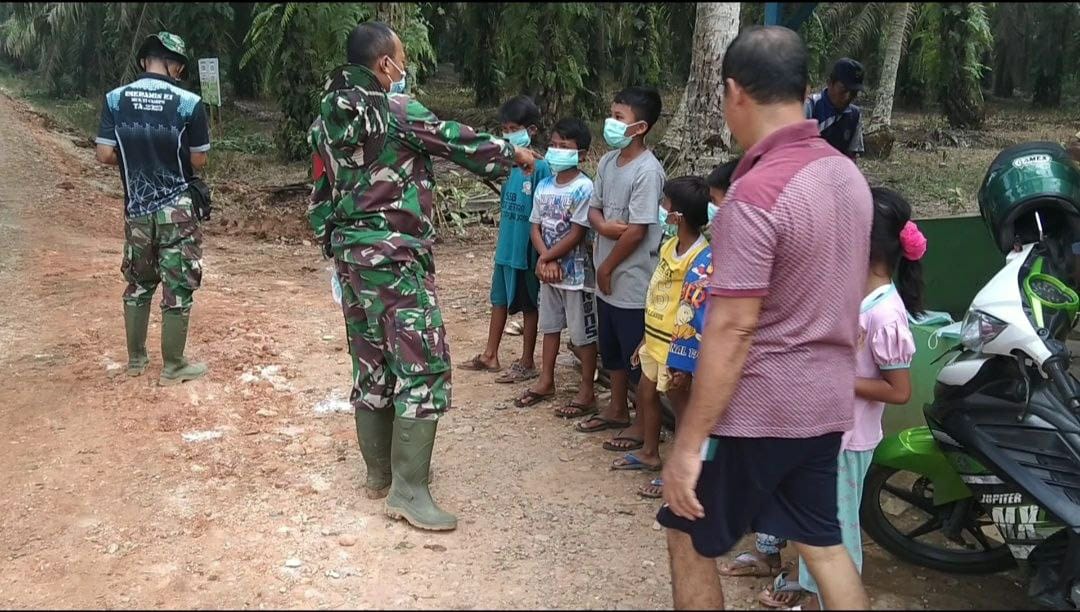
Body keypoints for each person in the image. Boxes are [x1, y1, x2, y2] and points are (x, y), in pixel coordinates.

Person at [657, 26, 873, 611]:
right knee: (823, 545)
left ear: (733, 93)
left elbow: (733, 328)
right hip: (826, 401)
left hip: (760, 409)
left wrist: (689, 444)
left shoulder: (754, 195)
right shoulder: (847, 178)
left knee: (686, 529)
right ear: (806, 91)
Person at [307, 21, 538, 532]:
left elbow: (319, 190)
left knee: (371, 360)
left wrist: (336, 242)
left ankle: (378, 474)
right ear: (384, 64)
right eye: (402, 58)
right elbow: (457, 141)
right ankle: (409, 492)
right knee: (424, 366)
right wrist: (513, 154)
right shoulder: (394, 109)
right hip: (395, 258)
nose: (405, 66)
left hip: (351, 258)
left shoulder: (326, 116)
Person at [95, 31, 211, 387]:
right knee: (178, 286)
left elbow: (104, 155)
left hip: (138, 209)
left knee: (138, 282)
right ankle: (173, 365)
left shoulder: (115, 100)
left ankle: (135, 359)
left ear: (145, 61)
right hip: (177, 211)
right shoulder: (189, 102)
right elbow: (199, 160)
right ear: (176, 66)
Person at [575, 86, 666, 453]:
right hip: (606, 275)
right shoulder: (607, 163)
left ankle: (645, 424)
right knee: (610, 347)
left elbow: (638, 230)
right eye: (611, 114)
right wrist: (602, 227)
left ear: (640, 127)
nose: (610, 123)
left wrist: (607, 266)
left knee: (634, 355)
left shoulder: (648, 171)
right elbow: (594, 208)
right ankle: (616, 408)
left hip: (630, 278)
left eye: (618, 118)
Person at [609, 177, 710, 492]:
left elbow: (694, 310)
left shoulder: (702, 258)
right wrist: (643, 337)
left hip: (676, 346)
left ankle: (679, 473)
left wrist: (686, 360)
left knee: (681, 409)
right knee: (646, 393)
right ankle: (650, 452)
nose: (661, 209)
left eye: (665, 204)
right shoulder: (669, 246)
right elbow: (658, 291)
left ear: (677, 216)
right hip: (653, 337)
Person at [459, 96, 552, 384]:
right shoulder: (511, 163)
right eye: (505, 128)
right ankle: (490, 354)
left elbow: (543, 213)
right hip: (506, 245)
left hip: (525, 248)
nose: (507, 134)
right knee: (498, 299)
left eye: (513, 128)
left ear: (531, 130)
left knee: (528, 305)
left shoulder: (541, 167)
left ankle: (527, 361)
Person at [513, 119, 598, 414]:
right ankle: (546, 379)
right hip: (548, 271)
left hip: (575, 274)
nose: (557, 151)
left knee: (582, 333)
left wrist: (547, 258)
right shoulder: (545, 185)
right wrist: (544, 258)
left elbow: (577, 233)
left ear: (582, 154)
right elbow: (534, 225)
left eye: (565, 147)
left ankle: (587, 389)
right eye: (554, 145)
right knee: (549, 326)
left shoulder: (584, 187)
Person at [805, 58, 865, 160]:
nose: (848, 97)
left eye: (854, 93)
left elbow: (851, 157)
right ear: (829, 83)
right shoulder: (811, 106)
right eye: (844, 90)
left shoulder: (855, 115)